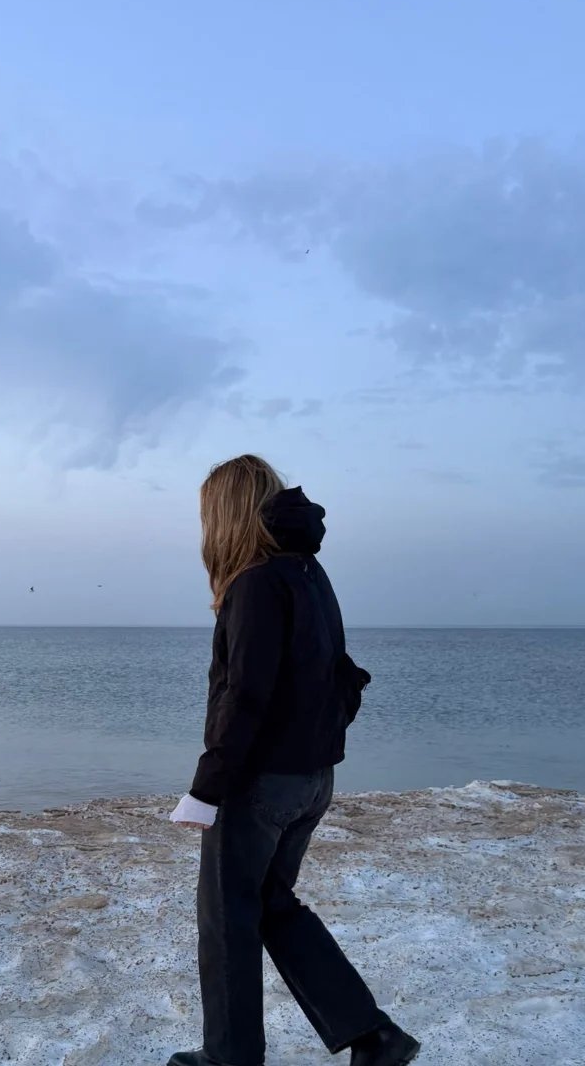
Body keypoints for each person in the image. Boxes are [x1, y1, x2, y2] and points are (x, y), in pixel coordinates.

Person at [167, 455, 420, 1066]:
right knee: (271, 904)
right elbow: (338, 676)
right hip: (310, 778)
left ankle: (229, 1058)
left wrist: (207, 787)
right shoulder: (308, 573)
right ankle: (374, 1036)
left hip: (260, 783)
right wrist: (315, 754)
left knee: (227, 918)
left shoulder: (256, 582)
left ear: (225, 515)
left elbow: (246, 696)